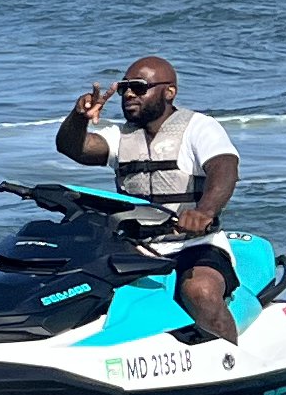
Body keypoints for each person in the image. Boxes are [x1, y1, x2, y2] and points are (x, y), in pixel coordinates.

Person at [56, 55, 246, 343]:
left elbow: (224, 168)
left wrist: (204, 212)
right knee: (74, 285)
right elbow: (73, 147)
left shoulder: (198, 127)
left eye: (139, 87)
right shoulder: (120, 137)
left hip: (194, 246)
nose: (129, 94)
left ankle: (233, 363)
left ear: (169, 92)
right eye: (123, 89)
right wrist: (78, 118)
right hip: (135, 248)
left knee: (200, 291)